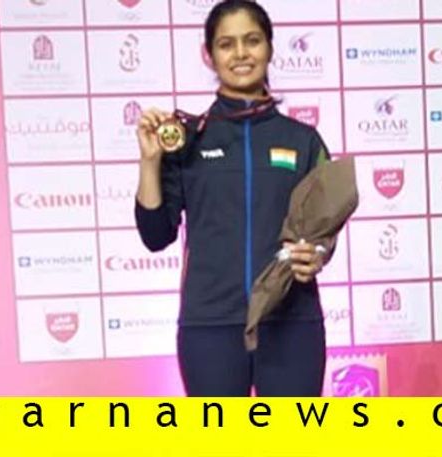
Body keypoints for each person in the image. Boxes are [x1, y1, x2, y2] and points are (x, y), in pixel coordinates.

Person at [134, 0, 333, 396]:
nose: (240, 54)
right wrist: (150, 160)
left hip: (292, 324)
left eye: (252, 41)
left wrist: (320, 252)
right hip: (210, 328)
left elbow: (323, 230)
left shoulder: (303, 140)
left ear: (270, 48)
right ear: (209, 55)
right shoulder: (188, 139)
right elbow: (156, 235)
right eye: (227, 44)